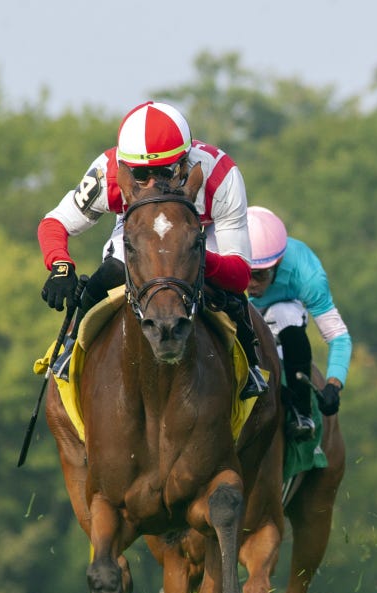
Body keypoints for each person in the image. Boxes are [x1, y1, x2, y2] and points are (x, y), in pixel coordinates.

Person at [37, 100, 269, 399]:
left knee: (227, 294)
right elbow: (55, 222)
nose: (151, 184)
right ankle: (72, 347)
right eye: (139, 175)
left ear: (186, 162)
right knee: (111, 272)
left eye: (163, 173)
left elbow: (239, 276)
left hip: (198, 232)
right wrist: (60, 265)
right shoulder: (107, 172)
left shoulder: (221, 177)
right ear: (123, 168)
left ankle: (250, 364)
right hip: (140, 226)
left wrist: (187, 254)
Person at [245, 206, 351, 441]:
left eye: (260, 275)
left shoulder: (308, 274)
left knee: (286, 313)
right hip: (237, 308)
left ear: (279, 263)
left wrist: (334, 384)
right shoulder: (218, 251)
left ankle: (301, 413)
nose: (251, 284)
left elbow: (338, 336)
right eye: (246, 272)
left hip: (279, 317)